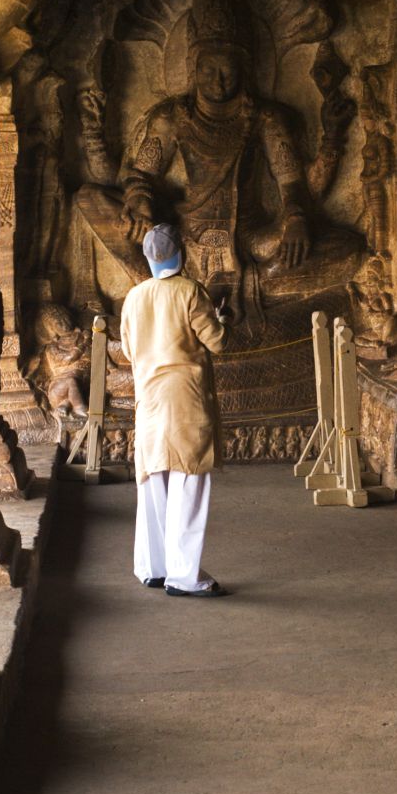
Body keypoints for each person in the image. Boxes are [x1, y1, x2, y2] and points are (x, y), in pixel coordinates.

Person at [120, 225, 230, 597]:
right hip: (185, 397)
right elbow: (216, 342)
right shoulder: (189, 292)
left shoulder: (134, 297)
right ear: (181, 254)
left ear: (149, 258)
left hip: (149, 397)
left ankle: (153, 567)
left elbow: (129, 350)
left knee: (153, 480)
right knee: (190, 478)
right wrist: (222, 318)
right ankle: (184, 576)